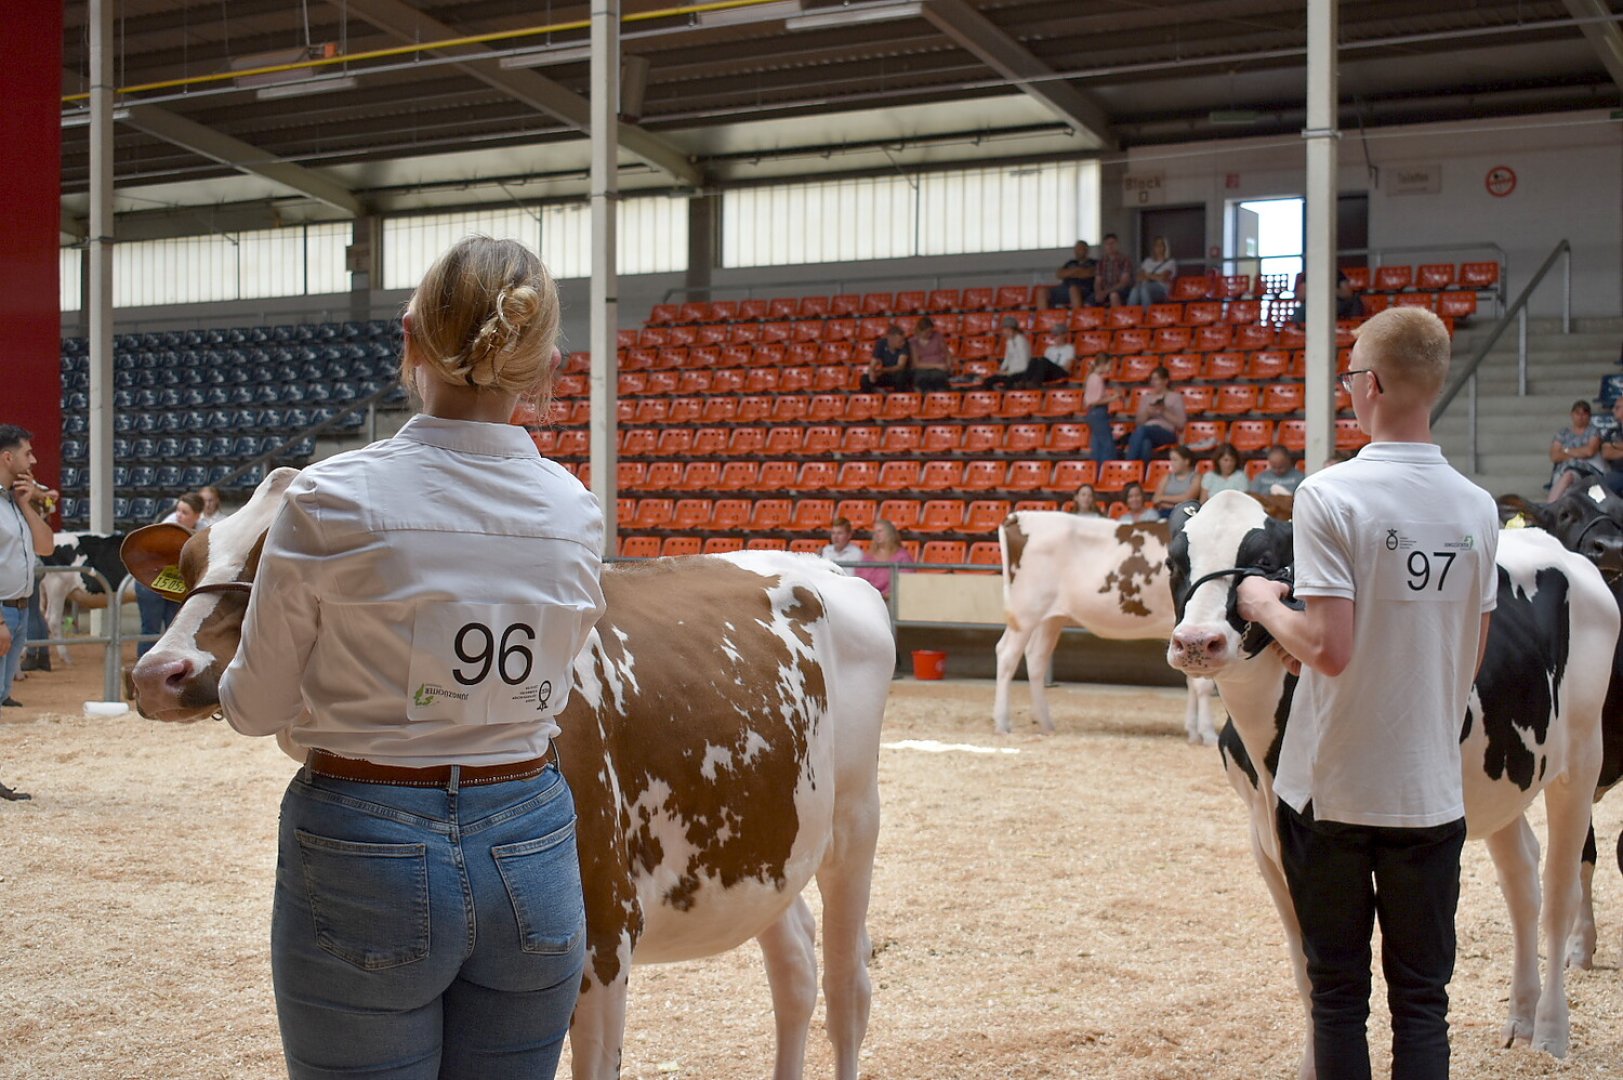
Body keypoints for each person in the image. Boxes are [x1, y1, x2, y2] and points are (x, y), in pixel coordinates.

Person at [211, 236, 604, 1079]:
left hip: (364, 834)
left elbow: (254, 710)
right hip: (530, 835)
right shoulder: (576, 512)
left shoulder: (330, 498)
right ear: (544, 370)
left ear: (409, 337)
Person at [1236, 305, 1499, 1080]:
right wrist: (1312, 644)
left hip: (1334, 794)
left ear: (1373, 385)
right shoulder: (1478, 509)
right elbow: (1463, 652)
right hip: (1427, 792)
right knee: (1422, 1001)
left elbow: (1332, 648)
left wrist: (1261, 607)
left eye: (1351, 372)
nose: (1350, 385)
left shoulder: (1330, 494)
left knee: (1338, 996)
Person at [0, 424, 56, 799]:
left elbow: (46, 546)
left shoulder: (12, 502)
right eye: (27, 453)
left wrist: (26, 501)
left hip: (20, 609)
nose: (32, 460)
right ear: (8, 457)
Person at [134, 493, 204, 658]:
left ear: (197, 516)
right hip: (152, 581)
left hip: (177, 582)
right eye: (179, 510)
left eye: (185, 512)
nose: (179, 515)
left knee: (174, 628)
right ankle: (143, 667)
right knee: (151, 628)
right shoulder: (167, 526)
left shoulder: (204, 529)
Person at [1124, 366, 1187, 461]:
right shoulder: (1146, 398)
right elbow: (1138, 423)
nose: (1153, 382)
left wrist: (1163, 411)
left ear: (1165, 381)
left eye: (1156, 379)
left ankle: (1129, 465)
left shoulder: (1175, 397)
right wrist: (1147, 413)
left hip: (1166, 433)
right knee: (1146, 444)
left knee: (1142, 430)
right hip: (1146, 432)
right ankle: (1141, 473)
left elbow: (1181, 424)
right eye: (1152, 379)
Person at [1547, 399, 1602, 500]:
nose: (1581, 417)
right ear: (1572, 415)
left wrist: (1566, 450)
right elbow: (1554, 456)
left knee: (1569, 475)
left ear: (1589, 416)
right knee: (1565, 481)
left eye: (1584, 413)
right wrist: (1580, 452)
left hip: (1587, 470)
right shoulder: (1563, 433)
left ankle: (1549, 508)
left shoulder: (1594, 431)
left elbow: (1590, 451)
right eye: (1577, 413)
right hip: (1562, 470)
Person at [853, 520, 912, 599]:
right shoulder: (868, 557)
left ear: (889, 533)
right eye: (875, 532)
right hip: (868, 598)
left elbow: (905, 581)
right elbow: (860, 578)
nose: (877, 535)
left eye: (880, 531)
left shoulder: (902, 556)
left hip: (893, 600)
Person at [1083, 354, 1122, 464]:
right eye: (1110, 364)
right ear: (1103, 364)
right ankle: (1107, 469)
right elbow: (1095, 401)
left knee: (1097, 446)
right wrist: (1114, 397)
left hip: (1094, 414)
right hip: (1098, 413)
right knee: (1107, 445)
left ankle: (1097, 472)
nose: (1110, 367)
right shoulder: (1096, 379)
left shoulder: (1092, 377)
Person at [1126, 236, 1177, 311]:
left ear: (1165, 247)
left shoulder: (1170, 262)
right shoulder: (1147, 261)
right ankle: (1129, 314)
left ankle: (1146, 315)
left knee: (1144, 289)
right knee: (1135, 290)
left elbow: (1163, 278)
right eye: (1156, 245)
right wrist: (1154, 276)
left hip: (1161, 288)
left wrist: (1147, 275)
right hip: (1144, 285)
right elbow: (1139, 277)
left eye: (1161, 245)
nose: (1158, 248)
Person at [983, 317, 1033, 389]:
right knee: (988, 381)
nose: (1004, 332)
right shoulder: (1009, 341)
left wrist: (1008, 372)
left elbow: (1024, 366)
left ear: (1012, 329)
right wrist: (1001, 370)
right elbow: (1007, 359)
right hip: (1010, 372)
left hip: (1020, 373)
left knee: (1008, 381)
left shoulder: (1021, 341)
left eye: (1006, 329)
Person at [1152, 445, 1201, 514]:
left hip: (1185, 514)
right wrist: (1176, 504)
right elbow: (1156, 499)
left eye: (1175, 460)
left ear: (1186, 461)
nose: (1171, 463)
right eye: (1171, 460)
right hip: (1165, 512)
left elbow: (1188, 499)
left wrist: (1162, 498)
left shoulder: (1196, 478)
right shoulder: (1166, 477)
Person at [908, 317, 954, 392]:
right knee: (923, 380)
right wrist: (937, 366)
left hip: (939, 366)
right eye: (927, 332)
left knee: (938, 380)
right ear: (920, 331)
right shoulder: (913, 342)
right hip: (923, 368)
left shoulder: (938, 336)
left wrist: (948, 366)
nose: (929, 334)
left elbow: (947, 353)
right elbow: (916, 364)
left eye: (931, 332)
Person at [1049, 240, 1097, 310]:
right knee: (1042, 292)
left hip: (1084, 290)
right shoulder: (1070, 263)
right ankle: (1045, 319)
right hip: (1064, 289)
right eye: (1076, 249)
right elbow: (1059, 274)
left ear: (1086, 250)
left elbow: (1087, 273)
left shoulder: (1094, 263)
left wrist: (1069, 273)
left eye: (1080, 249)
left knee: (1073, 289)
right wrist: (1077, 270)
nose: (1077, 251)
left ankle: (1076, 317)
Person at [861, 324, 911, 392]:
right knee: (865, 379)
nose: (903, 343)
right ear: (891, 340)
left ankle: (898, 399)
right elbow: (873, 363)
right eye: (900, 341)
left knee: (900, 377)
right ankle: (869, 399)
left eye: (903, 340)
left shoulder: (905, 345)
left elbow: (900, 366)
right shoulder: (881, 343)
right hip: (886, 374)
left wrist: (883, 370)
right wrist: (871, 372)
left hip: (898, 374)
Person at [1092, 233, 1134, 308]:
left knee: (1113, 295)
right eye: (1107, 244)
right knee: (1088, 302)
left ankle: (1117, 318)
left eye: (1112, 243)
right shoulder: (1101, 262)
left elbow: (1124, 282)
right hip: (1104, 291)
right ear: (1104, 246)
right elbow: (1097, 281)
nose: (1110, 246)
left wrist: (1106, 292)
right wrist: (1098, 292)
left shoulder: (1125, 260)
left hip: (1121, 290)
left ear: (1117, 245)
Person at [1602, 397, 1623, 497]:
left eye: (1617, 407)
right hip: (1618, 472)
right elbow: (1607, 453)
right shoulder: (1612, 432)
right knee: (1603, 486)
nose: (1613, 410)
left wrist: (1615, 446)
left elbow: (1612, 450)